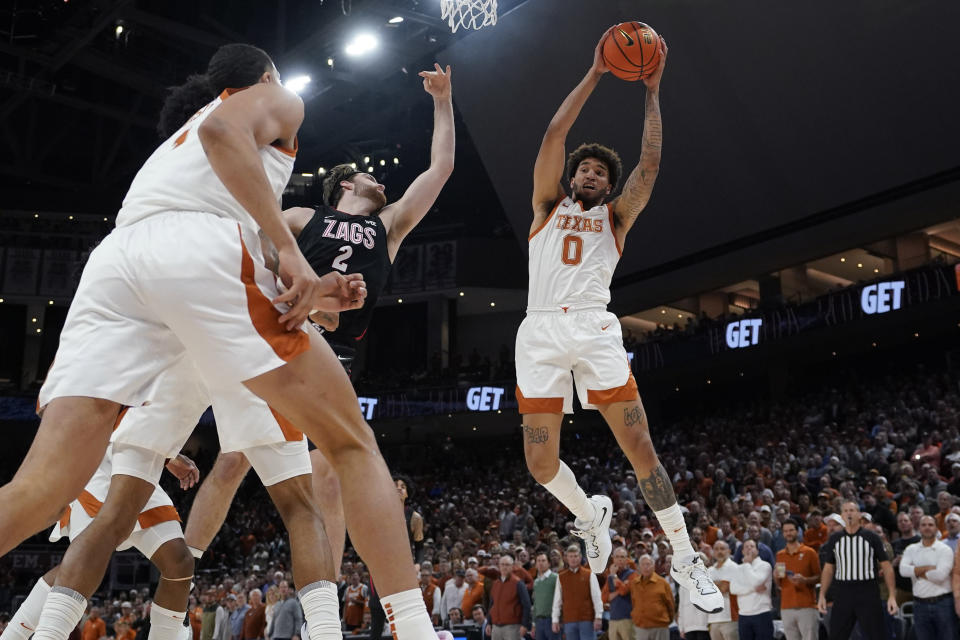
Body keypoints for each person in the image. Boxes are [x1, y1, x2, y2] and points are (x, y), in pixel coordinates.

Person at [0, 41, 437, 639]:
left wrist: (319, 287)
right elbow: (224, 141)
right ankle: (415, 628)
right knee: (351, 443)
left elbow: (241, 240)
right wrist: (288, 249)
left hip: (119, 265)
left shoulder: (171, 145)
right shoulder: (272, 98)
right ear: (265, 76)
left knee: (38, 489)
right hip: (198, 252)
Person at [514, 26, 720, 614]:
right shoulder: (545, 207)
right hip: (539, 332)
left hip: (596, 329)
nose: (592, 176)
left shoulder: (617, 219)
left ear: (608, 185)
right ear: (573, 175)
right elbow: (555, 133)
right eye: (586, 170)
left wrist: (651, 91)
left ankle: (685, 559)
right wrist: (599, 72)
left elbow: (649, 164)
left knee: (641, 448)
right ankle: (589, 514)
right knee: (539, 463)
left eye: (602, 174)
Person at [1, 446, 199, 640]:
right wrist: (170, 456)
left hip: (141, 466)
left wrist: (168, 454)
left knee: (180, 563)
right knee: (85, 563)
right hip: (100, 464)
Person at [817, 500, 898, 640]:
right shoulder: (835, 539)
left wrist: (891, 595)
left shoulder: (872, 537)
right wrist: (822, 594)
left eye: (852, 510)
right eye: (846, 510)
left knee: (877, 635)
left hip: (868, 590)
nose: (849, 513)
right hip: (843, 591)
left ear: (859, 515)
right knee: (836, 635)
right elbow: (828, 568)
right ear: (842, 516)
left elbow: (886, 566)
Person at [899, 515, 955, 640]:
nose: (927, 528)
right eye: (924, 525)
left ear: (936, 528)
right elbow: (903, 570)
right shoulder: (911, 549)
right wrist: (928, 568)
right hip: (919, 604)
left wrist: (915, 571)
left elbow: (940, 576)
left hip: (943, 604)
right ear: (919, 528)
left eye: (930, 525)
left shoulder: (945, 549)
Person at [774, 520, 819, 640]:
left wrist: (804, 580)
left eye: (791, 530)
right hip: (786, 607)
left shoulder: (810, 552)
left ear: (798, 531)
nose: (788, 533)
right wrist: (776, 577)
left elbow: (819, 577)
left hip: (807, 606)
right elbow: (780, 584)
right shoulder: (780, 555)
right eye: (785, 531)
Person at [550, 546, 602, 640]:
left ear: (580, 557)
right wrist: (555, 620)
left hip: (587, 619)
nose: (573, 559)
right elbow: (557, 600)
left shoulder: (589, 574)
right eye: (570, 556)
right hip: (569, 620)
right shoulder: (561, 577)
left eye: (575, 556)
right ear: (566, 558)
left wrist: (598, 616)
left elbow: (597, 597)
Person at [730, 541, 772, 640]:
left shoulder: (765, 565)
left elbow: (756, 582)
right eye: (746, 547)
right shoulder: (738, 568)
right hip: (743, 615)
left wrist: (747, 564)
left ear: (757, 550)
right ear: (742, 551)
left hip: (762, 613)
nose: (749, 548)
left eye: (752, 546)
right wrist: (753, 589)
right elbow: (733, 589)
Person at [628, 555, 675, 640]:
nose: (646, 567)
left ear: (653, 566)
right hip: (641, 627)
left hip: (660, 627)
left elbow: (671, 605)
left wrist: (666, 621)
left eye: (648, 564)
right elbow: (633, 603)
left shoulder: (663, 583)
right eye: (643, 564)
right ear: (638, 567)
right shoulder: (634, 583)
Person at [485, 555, 531, 640]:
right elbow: (492, 605)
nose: (504, 567)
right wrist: (489, 622)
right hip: (496, 627)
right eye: (502, 564)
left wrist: (524, 625)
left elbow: (526, 605)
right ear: (499, 566)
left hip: (512, 627)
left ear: (512, 567)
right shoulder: (495, 584)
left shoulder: (518, 583)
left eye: (507, 565)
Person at [600, 547, 634, 640]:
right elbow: (604, 598)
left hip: (628, 619)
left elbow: (623, 592)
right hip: (613, 619)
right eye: (617, 557)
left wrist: (614, 576)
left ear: (627, 559)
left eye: (622, 557)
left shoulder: (633, 575)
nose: (619, 559)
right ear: (613, 559)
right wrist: (618, 589)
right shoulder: (610, 576)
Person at [706, 541, 738, 640]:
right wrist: (719, 583)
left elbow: (724, 589)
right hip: (713, 618)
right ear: (713, 552)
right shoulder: (709, 570)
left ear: (729, 551)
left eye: (722, 549)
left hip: (730, 617)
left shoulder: (733, 567)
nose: (719, 551)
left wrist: (712, 584)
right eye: (716, 549)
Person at [530, 553, 559, 640]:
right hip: (539, 622)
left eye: (543, 561)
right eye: (538, 561)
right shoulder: (536, 582)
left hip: (552, 620)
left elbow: (562, 600)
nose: (540, 563)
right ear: (535, 564)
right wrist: (534, 624)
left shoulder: (556, 578)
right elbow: (536, 604)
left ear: (549, 563)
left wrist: (559, 620)